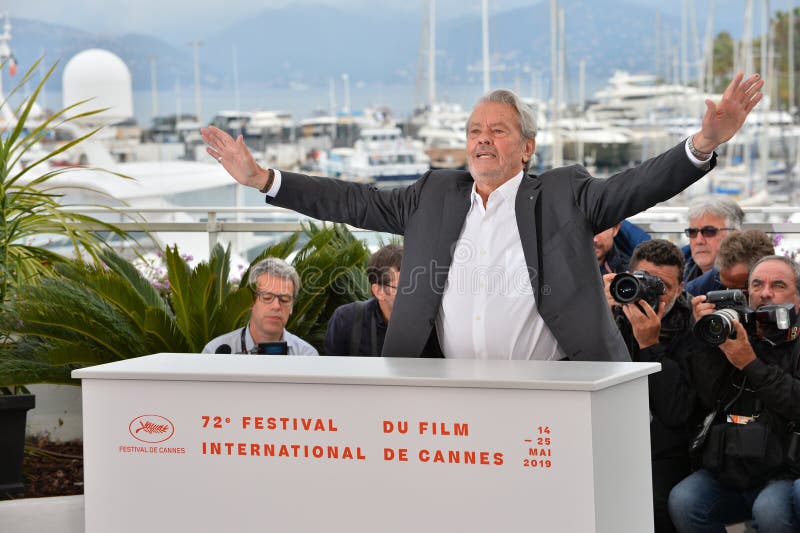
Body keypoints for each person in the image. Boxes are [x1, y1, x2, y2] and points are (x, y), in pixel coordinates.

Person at [201, 73, 762, 360]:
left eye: (497, 130)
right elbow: (350, 200)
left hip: (554, 388)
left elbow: (638, 183)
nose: (482, 140)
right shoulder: (434, 194)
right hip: (452, 387)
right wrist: (262, 180)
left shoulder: (565, 193)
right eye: (474, 131)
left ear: (527, 148)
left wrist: (704, 142)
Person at [668, 256, 800, 532]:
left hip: (785, 469)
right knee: (684, 501)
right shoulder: (735, 331)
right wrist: (705, 339)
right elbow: (707, 396)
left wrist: (750, 364)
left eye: (778, 285)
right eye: (757, 285)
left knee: (770, 511)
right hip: (732, 463)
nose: (765, 293)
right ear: (746, 293)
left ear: (797, 297)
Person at [602, 240, 698, 533]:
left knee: (649, 498)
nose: (647, 293)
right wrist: (598, 316)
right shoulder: (608, 313)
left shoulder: (693, 326)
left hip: (668, 450)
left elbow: (677, 412)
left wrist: (650, 345)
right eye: (641, 281)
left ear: (681, 289)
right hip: (612, 440)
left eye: (661, 286)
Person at [202, 257, 318, 355]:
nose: (276, 306)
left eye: (284, 299)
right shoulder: (217, 352)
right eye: (267, 298)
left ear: (292, 305)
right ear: (251, 301)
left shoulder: (306, 355)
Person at [324, 243, 403, 356]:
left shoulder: (431, 323)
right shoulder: (346, 320)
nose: (413, 292)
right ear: (379, 292)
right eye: (403, 288)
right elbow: (332, 370)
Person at [685, 230, 775, 296]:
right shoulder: (697, 290)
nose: (732, 296)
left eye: (740, 290)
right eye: (725, 287)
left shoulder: (782, 293)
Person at [683, 195, 745, 283]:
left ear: (734, 235)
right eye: (693, 232)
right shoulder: (678, 267)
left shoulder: (749, 277)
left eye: (709, 231)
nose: (699, 241)